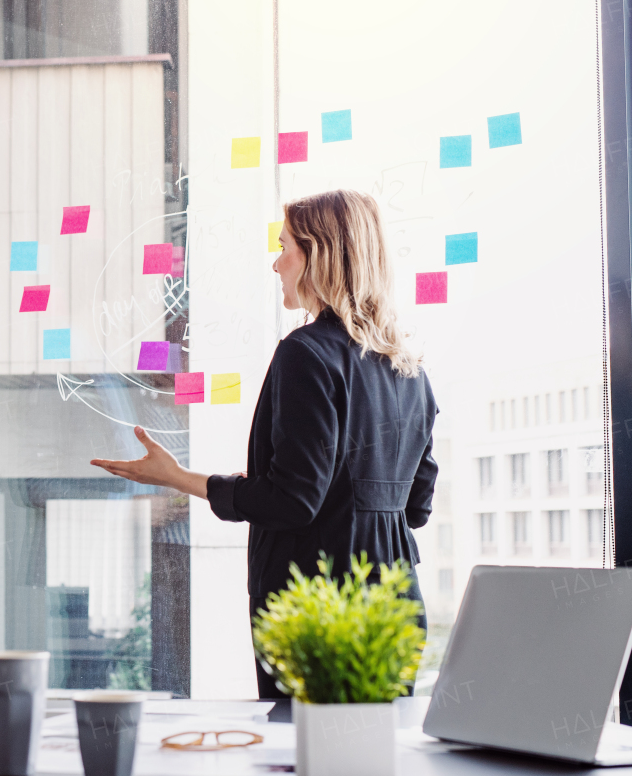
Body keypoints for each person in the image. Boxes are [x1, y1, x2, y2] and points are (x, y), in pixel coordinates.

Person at [91, 189, 438, 700]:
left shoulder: (306, 355)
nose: (277, 264)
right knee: (371, 767)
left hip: (315, 610)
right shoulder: (411, 371)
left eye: (286, 247)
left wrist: (177, 478)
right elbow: (416, 508)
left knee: (303, 761)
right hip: (394, 603)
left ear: (318, 254)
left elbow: (292, 501)